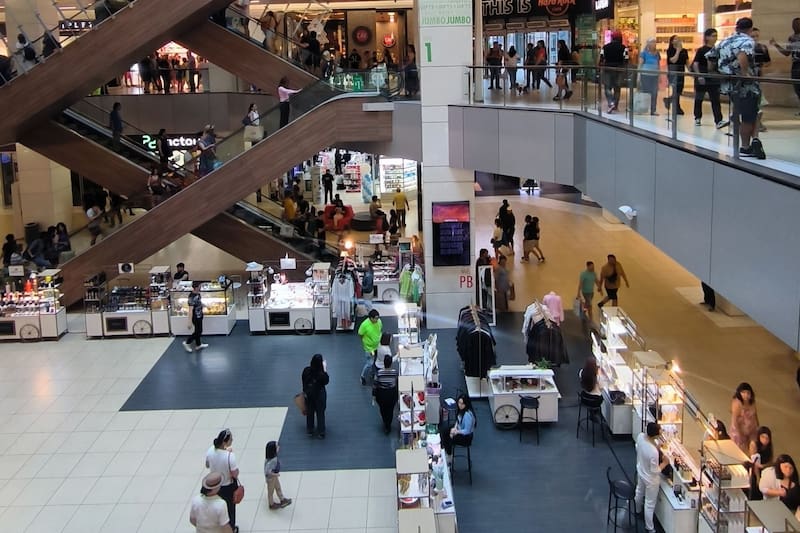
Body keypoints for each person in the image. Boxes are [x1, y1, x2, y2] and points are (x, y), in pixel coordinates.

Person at [710, 17, 765, 159]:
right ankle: (745, 146)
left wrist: (717, 73)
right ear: (750, 29)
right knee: (749, 115)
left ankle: (751, 142)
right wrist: (746, 73)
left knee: (747, 112)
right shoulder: (747, 41)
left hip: (729, 84)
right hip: (745, 85)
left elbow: (711, 58)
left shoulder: (724, 41)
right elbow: (742, 56)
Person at [635, 423, 671, 533]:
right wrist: (665, 463)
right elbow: (655, 470)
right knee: (650, 504)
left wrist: (657, 447)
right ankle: (650, 528)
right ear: (655, 435)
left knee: (639, 492)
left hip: (641, 471)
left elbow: (640, 449)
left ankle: (637, 510)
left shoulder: (641, 437)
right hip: (651, 480)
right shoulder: (653, 452)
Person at [692, 28, 728, 128]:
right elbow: (695, 63)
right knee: (699, 98)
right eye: (713, 36)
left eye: (716, 36)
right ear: (707, 37)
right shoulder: (701, 50)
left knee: (715, 100)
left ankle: (718, 120)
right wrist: (699, 75)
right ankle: (697, 117)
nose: (715, 38)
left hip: (713, 78)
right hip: (703, 77)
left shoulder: (718, 50)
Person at [205, 430, 239, 532]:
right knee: (230, 509)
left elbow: (207, 465)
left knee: (217, 507)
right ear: (225, 442)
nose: (232, 440)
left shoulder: (210, 450)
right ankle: (231, 528)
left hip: (214, 486)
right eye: (231, 439)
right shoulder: (230, 456)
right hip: (227, 486)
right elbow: (234, 474)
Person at [769, 18, 800, 113]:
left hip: (797, 65)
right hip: (796, 65)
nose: (795, 26)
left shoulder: (793, 38)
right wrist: (775, 44)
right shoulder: (792, 38)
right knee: (797, 88)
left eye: (797, 24)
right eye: (794, 24)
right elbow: (787, 53)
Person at [599, 31, 629, 113]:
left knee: (607, 87)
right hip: (619, 69)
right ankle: (615, 105)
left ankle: (611, 102)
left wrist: (600, 67)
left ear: (612, 38)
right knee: (617, 88)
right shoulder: (624, 48)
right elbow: (626, 59)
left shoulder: (605, 47)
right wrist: (624, 68)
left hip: (607, 69)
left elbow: (601, 58)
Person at [302, 353, 329, 438]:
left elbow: (303, 381)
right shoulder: (321, 375)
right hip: (319, 395)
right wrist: (324, 369)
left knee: (310, 412)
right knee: (320, 413)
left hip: (309, 395)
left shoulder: (306, 370)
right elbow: (326, 381)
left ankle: (310, 429)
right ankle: (321, 432)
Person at [373, 354, 399, 434]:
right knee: (390, 410)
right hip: (391, 394)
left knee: (383, 409)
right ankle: (388, 424)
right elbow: (396, 383)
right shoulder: (394, 373)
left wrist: (374, 396)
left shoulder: (379, 373)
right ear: (391, 363)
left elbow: (375, 385)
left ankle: (385, 423)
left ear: (384, 363)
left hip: (382, 394)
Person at [730, 381, 759, 453]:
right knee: (740, 451)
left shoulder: (752, 402)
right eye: (743, 392)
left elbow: (755, 414)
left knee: (753, 448)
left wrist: (757, 425)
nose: (746, 395)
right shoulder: (737, 404)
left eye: (748, 393)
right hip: (740, 431)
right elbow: (734, 420)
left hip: (751, 430)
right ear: (739, 393)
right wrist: (740, 434)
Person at [665, 35, 689, 115]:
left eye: (679, 39)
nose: (678, 40)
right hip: (673, 72)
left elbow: (687, 63)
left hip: (681, 72)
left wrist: (691, 71)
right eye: (676, 39)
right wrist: (678, 51)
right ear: (672, 42)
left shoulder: (685, 51)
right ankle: (677, 108)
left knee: (679, 90)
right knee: (676, 90)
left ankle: (669, 100)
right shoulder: (670, 51)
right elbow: (673, 61)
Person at [264, 441, 292, 509]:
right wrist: (275, 474)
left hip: (274, 477)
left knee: (278, 487)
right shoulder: (272, 461)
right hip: (271, 478)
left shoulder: (271, 458)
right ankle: (271, 504)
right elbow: (267, 471)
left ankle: (282, 499)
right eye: (277, 447)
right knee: (270, 491)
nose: (279, 447)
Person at [358, 309, 383, 385]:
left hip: (377, 346)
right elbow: (360, 334)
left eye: (377, 318)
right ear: (370, 318)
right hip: (370, 349)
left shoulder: (379, 321)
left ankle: (373, 373)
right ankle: (363, 376)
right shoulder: (364, 325)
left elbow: (380, 330)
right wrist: (366, 343)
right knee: (369, 363)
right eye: (375, 318)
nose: (377, 319)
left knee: (375, 361)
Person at [749, 426, 774, 500]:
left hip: (764, 469)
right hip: (754, 469)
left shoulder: (769, 447)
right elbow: (754, 462)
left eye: (767, 438)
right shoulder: (754, 444)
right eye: (763, 437)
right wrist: (758, 477)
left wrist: (764, 466)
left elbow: (771, 461)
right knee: (755, 487)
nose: (765, 440)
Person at [183, 281, 209, 352]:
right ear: (196, 287)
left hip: (200, 315)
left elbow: (199, 302)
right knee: (198, 331)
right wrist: (189, 322)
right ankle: (187, 342)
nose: (201, 287)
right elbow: (190, 310)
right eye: (200, 286)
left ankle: (198, 344)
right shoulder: (191, 297)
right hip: (195, 317)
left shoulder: (198, 294)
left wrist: (205, 305)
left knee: (198, 330)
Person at [638, 38, 661, 115]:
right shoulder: (643, 53)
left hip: (655, 75)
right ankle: (643, 108)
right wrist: (639, 75)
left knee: (654, 92)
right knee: (645, 92)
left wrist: (659, 75)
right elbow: (640, 64)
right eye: (652, 42)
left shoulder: (657, 53)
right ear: (648, 44)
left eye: (655, 42)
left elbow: (658, 64)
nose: (654, 44)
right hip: (645, 75)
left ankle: (653, 110)